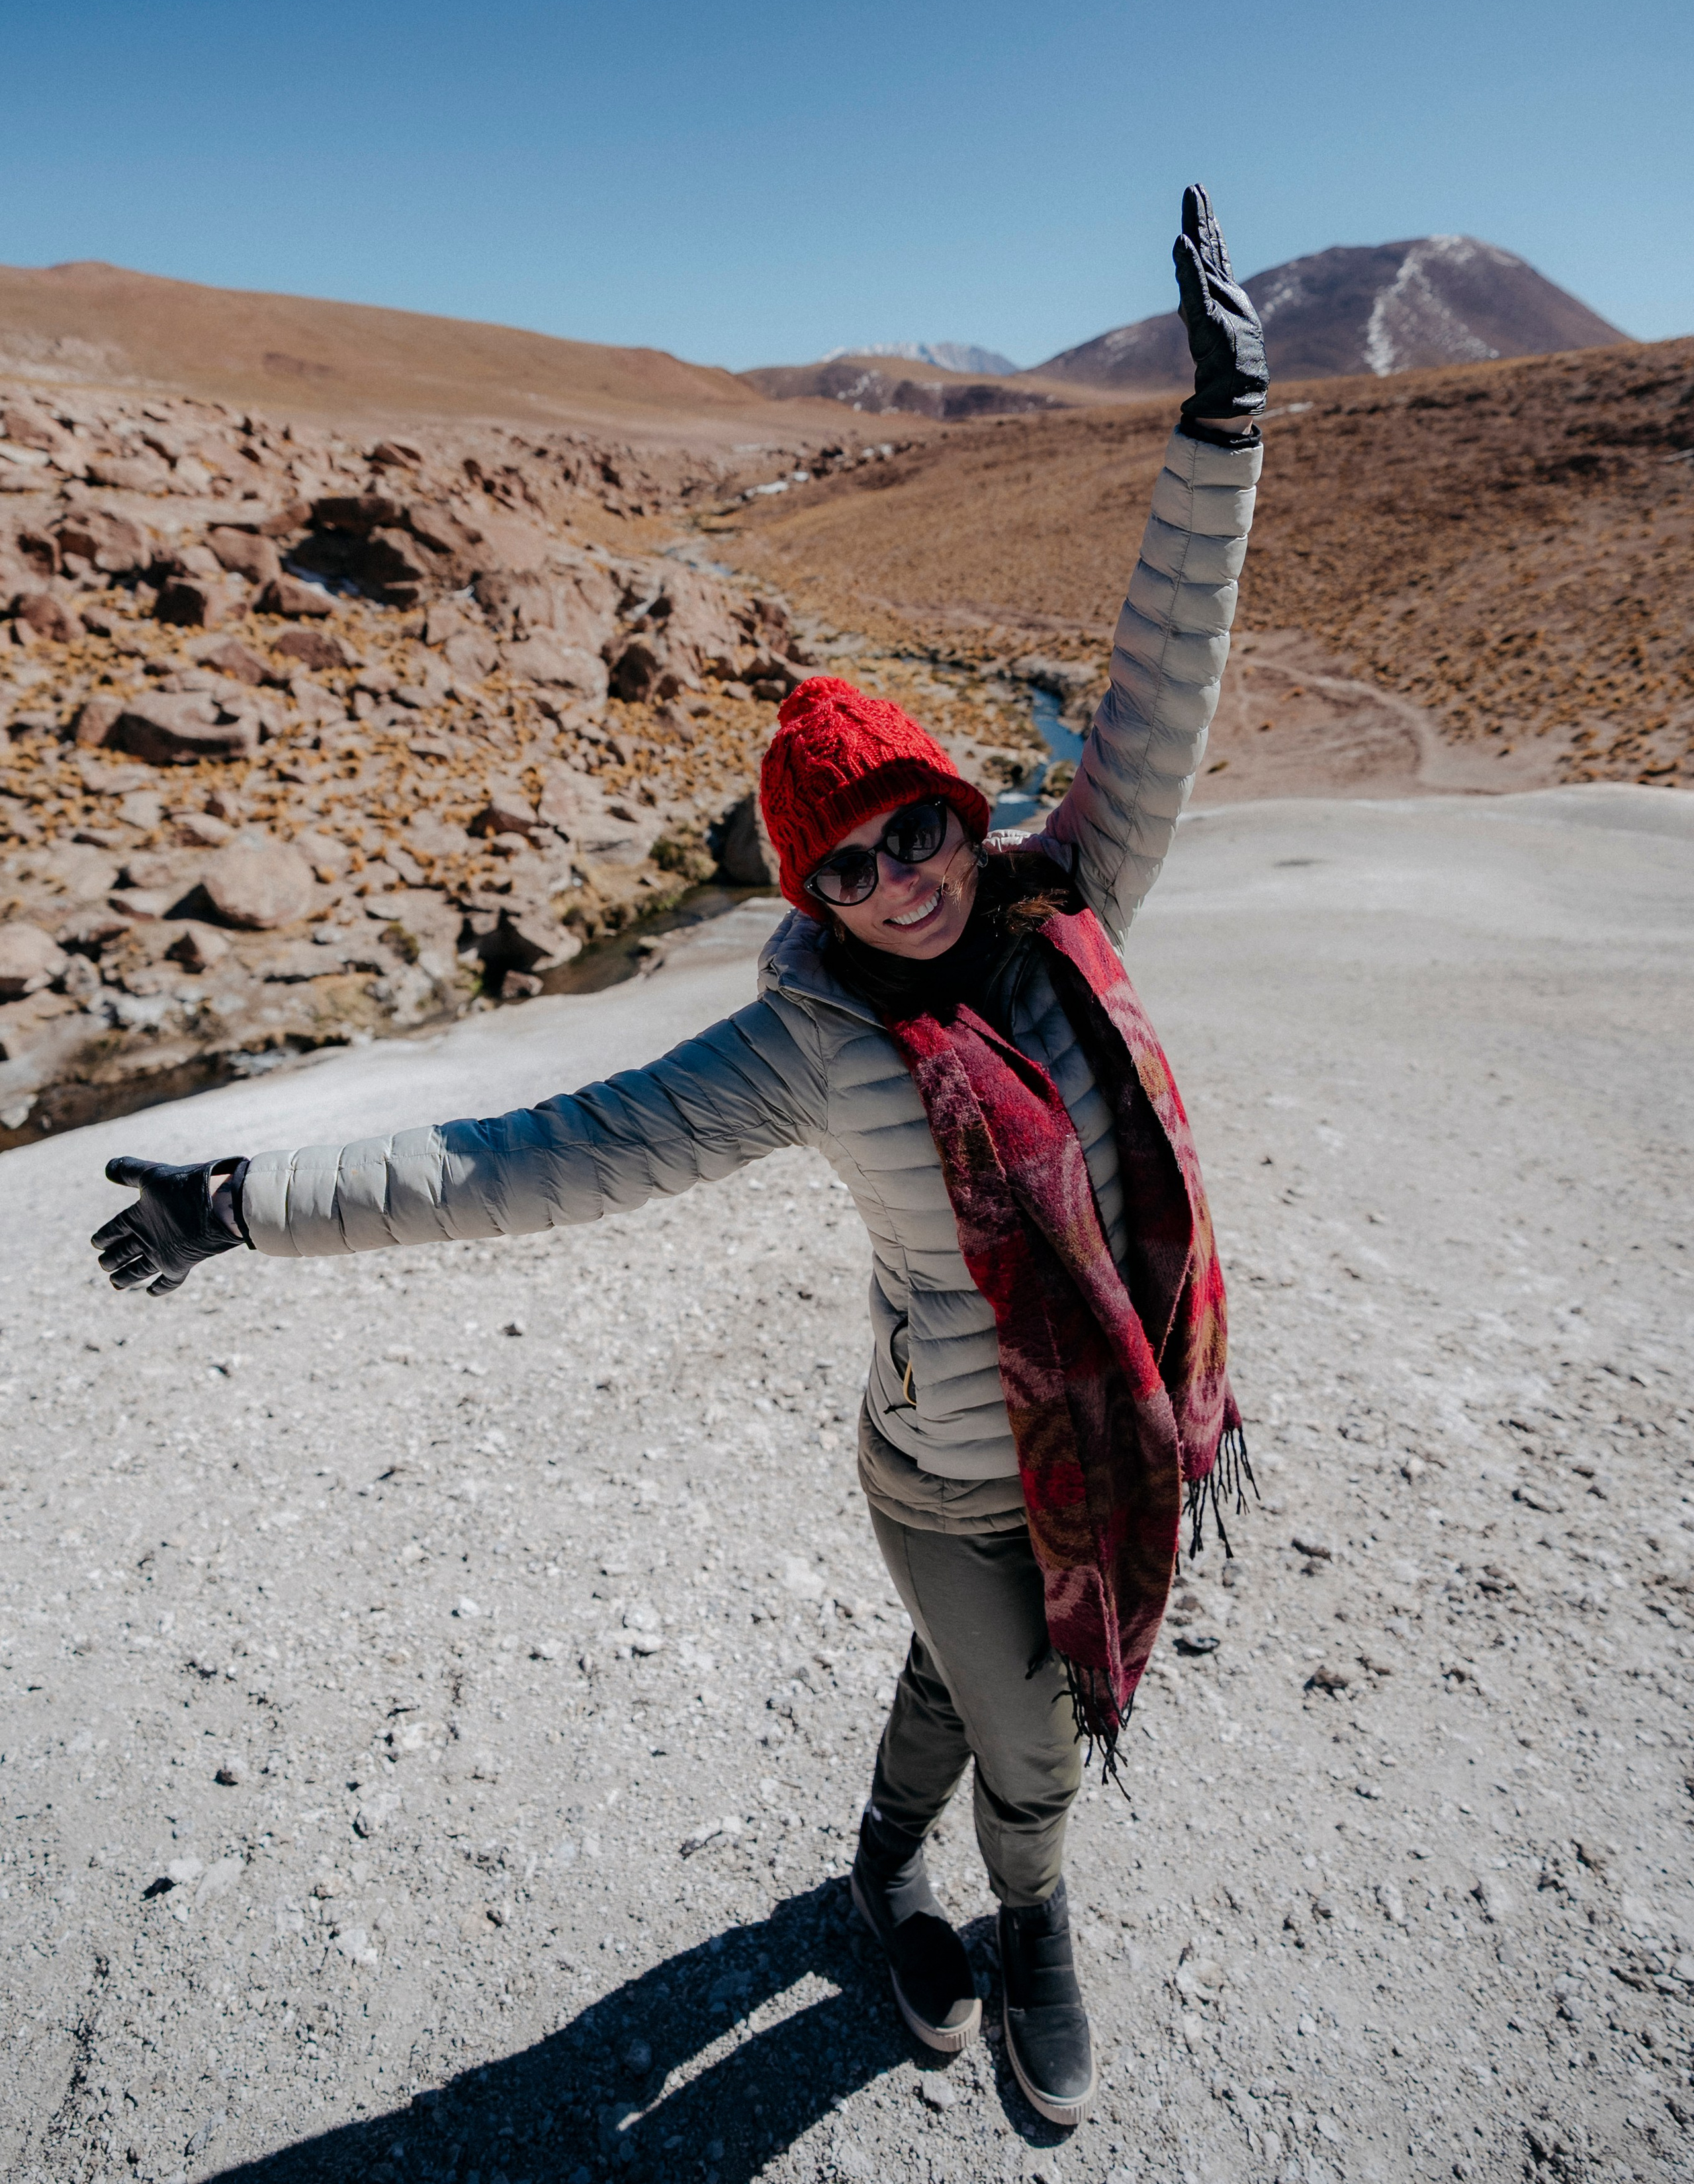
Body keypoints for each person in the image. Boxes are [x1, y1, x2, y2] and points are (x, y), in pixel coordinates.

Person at [93, 187, 1267, 2126]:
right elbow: (525, 1154)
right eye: (849, 867)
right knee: (1034, 1746)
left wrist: (1223, 426)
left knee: (957, 1696)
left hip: (1111, 1433)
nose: (900, 884)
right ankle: (1029, 1915)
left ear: (960, 810)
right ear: (808, 892)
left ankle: (887, 1869)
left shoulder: (1077, 901)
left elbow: (1162, 681)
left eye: (917, 830)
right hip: (942, 1477)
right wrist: (244, 1203)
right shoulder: (803, 1049)